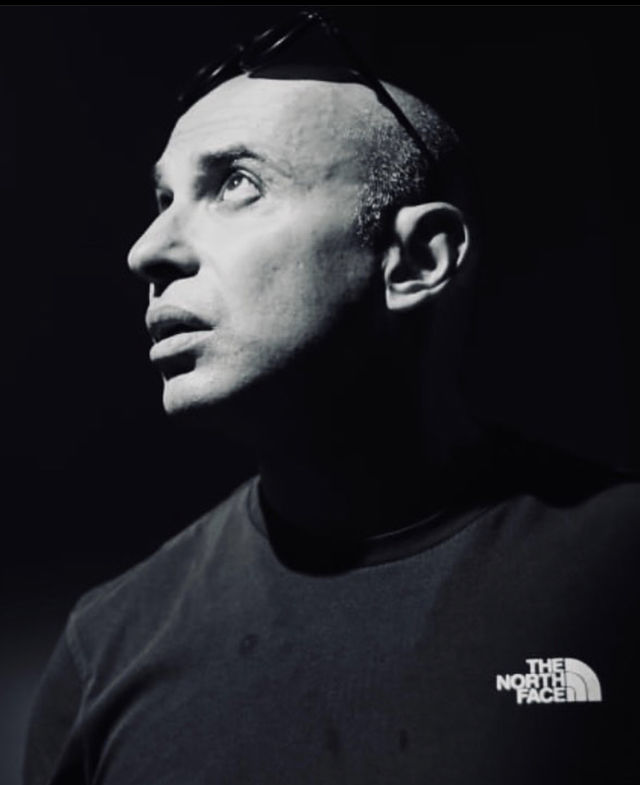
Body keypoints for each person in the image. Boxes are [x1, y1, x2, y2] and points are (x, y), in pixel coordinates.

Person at [23, 11, 639, 785]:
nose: (147, 251)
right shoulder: (105, 647)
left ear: (416, 260)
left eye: (236, 183)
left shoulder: (620, 564)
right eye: (163, 199)